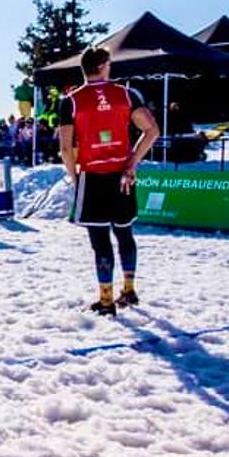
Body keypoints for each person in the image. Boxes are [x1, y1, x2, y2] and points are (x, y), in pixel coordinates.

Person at [58, 47, 160, 317]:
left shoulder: (71, 101)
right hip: (121, 176)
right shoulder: (126, 94)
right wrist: (131, 163)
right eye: (109, 64)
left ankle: (106, 300)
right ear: (103, 66)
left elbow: (65, 149)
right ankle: (129, 289)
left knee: (100, 241)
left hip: (92, 176)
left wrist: (75, 177)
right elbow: (152, 130)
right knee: (125, 234)